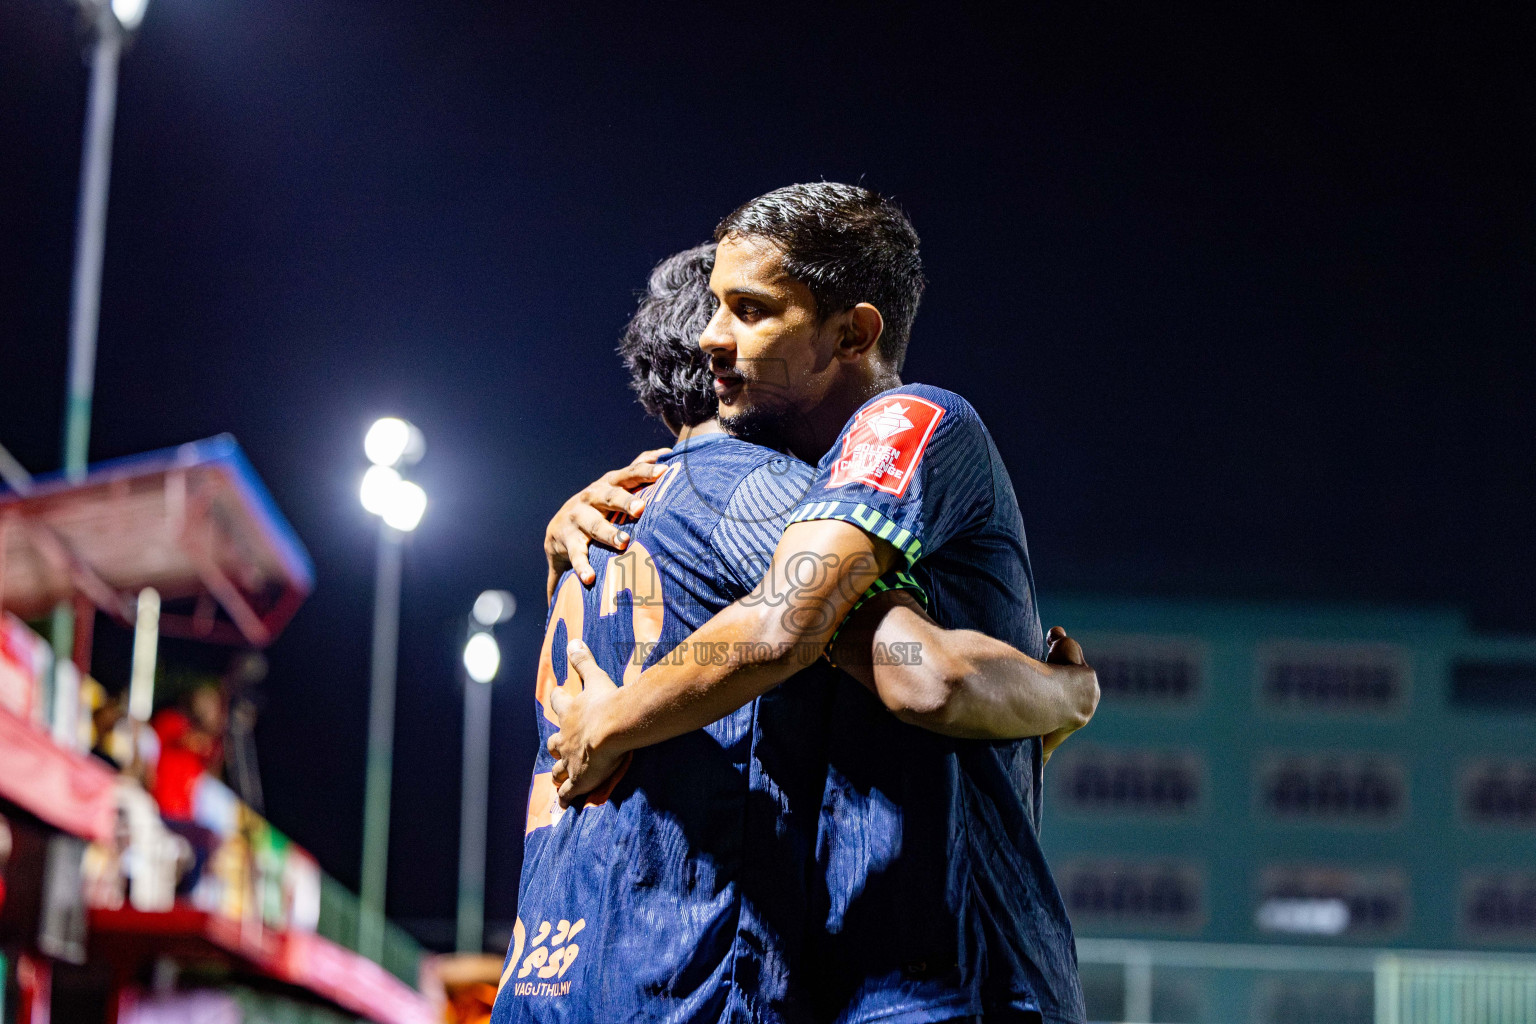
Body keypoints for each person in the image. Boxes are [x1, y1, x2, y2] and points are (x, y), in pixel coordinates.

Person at [497, 242, 1095, 1024]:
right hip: (671, 980)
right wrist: (1065, 694)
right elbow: (918, 670)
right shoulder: (771, 499)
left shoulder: (608, 519)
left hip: (545, 967)